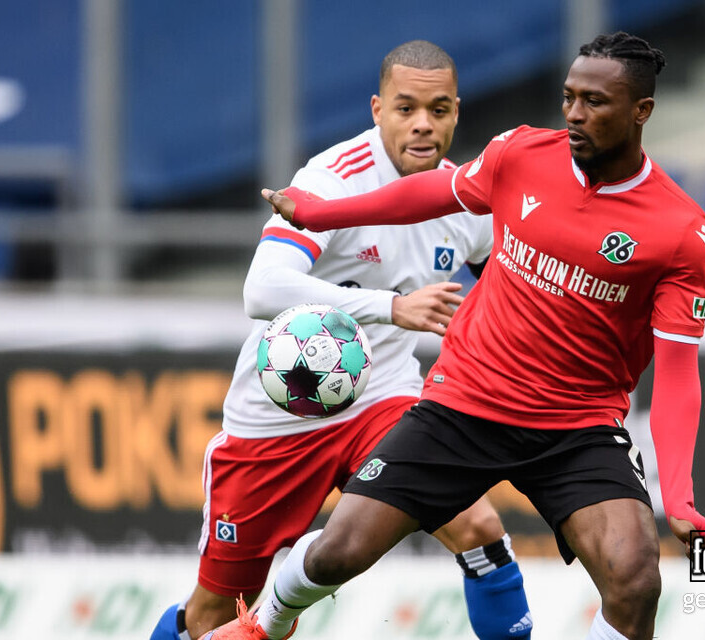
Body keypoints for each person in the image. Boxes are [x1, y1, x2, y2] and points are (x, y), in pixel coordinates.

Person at [227, 31, 705, 640]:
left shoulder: (678, 230)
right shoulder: (520, 153)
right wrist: (317, 212)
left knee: (636, 578)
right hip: (465, 402)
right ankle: (265, 625)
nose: (574, 113)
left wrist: (679, 493)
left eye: (595, 102)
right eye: (569, 97)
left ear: (641, 111)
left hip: (577, 425)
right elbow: (427, 193)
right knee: (339, 552)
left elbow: (677, 371)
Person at [150, 40, 532, 640]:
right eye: (406, 109)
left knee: (480, 530)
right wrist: (391, 307)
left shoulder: (467, 201)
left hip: (384, 399)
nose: (423, 125)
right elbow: (262, 288)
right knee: (216, 618)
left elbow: (510, 292)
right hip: (279, 416)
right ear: (378, 109)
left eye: (439, 109)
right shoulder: (333, 179)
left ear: (458, 111)